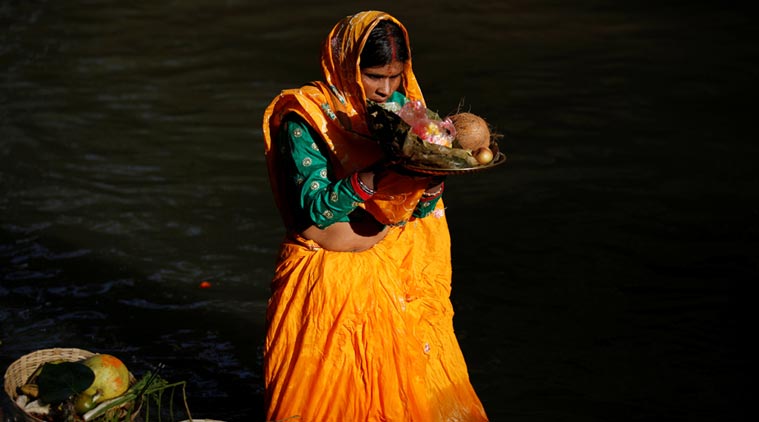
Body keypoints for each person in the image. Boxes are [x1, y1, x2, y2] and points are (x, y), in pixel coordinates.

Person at [261, 10, 488, 421]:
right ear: (347, 66)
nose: (386, 90)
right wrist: (375, 176)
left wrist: (431, 182)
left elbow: (417, 209)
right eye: (374, 77)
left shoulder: (408, 113)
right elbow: (314, 208)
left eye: (395, 76)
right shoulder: (308, 118)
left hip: (399, 265)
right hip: (334, 273)